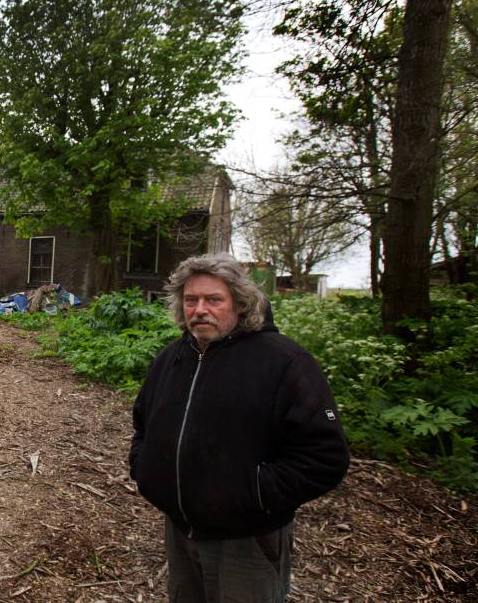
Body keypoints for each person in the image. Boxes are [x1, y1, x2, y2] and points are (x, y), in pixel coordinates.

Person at [129, 253, 349, 603]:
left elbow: (325, 457)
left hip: (246, 541)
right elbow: (142, 423)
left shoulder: (284, 362)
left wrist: (253, 494)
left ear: (240, 304)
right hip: (180, 531)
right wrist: (145, 470)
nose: (200, 309)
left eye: (214, 300)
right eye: (191, 300)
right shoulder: (172, 358)